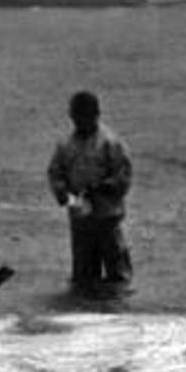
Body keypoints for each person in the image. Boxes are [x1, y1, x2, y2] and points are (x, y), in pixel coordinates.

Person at [46, 91, 133, 296]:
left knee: (117, 274)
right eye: (76, 117)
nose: (79, 121)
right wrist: (64, 195)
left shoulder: (110, 142)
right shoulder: (66, 145)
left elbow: (123, 177)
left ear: (96, 115)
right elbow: (55, 173)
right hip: (80, 217)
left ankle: (118, 316)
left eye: (84, 116)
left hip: (108, 216)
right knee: (83, 276)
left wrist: (100, 188)